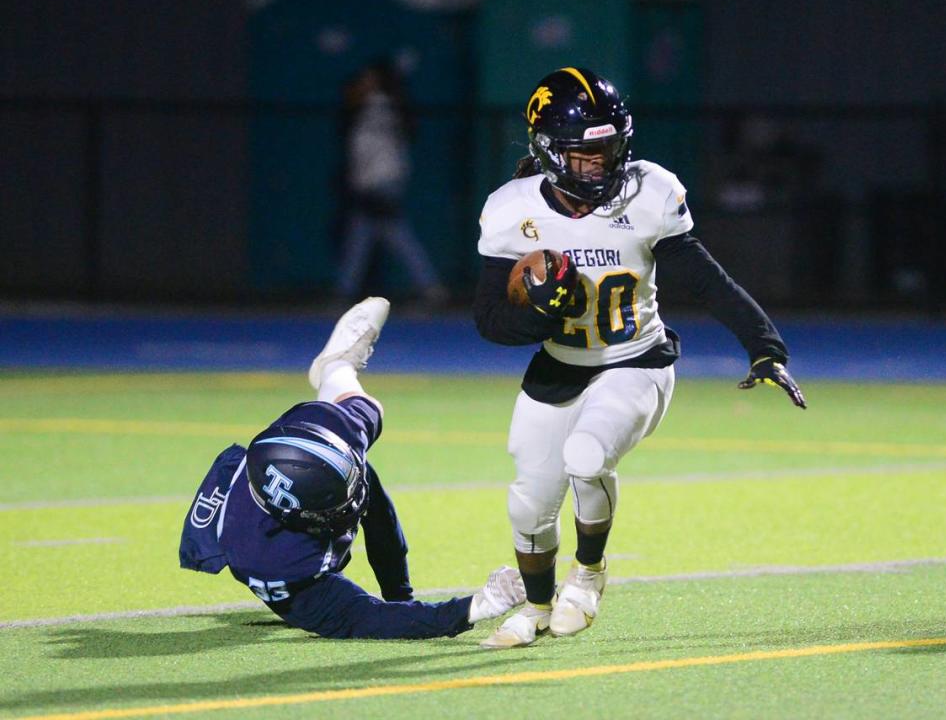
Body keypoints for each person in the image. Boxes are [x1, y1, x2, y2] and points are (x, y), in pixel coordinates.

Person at [473, 67, 806, 649]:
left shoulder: (649, 192)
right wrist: (543, 315)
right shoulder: (511, 210)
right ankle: (537, 605)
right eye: (585, 155)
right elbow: (491, 322)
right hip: (560, 365)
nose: (601, 165)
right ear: (549, 152)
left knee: (586, 453)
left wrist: (764, 347)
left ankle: (590, 574)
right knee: (528, 503)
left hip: (637, 360)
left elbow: (708, 282)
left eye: (610, 150)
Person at [180, 296, 524, 638]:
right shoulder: (275, 564)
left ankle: (334, 365)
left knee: (365, 410)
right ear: (303, 519)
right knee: (367, 616)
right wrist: (480, 605)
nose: (354, 503)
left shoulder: (330, 432)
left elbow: (360, 419)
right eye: (338, 504)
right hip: (286, 562)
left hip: (309, 452)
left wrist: (399, 594)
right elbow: (373, 618)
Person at [335, 62, 449, 307]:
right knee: (364, 236)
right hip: (373, 182)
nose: (362, 85)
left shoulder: (380, 106)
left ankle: (431, 288)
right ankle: (345, 290)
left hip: (381, 182)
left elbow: (379, 151)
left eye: (368, 80)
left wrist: (370, 184)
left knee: (393, 235)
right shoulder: (368, 108)